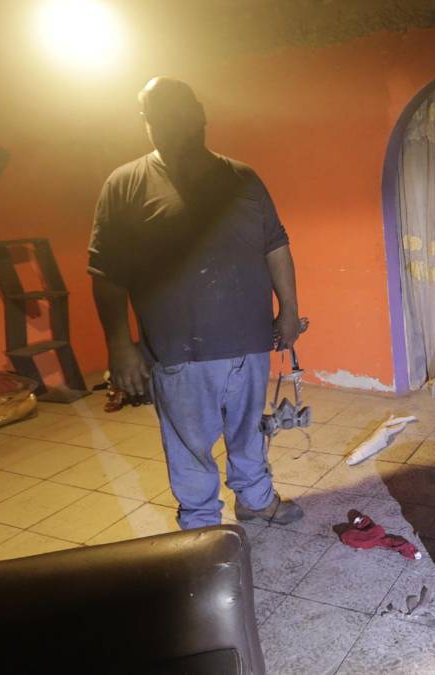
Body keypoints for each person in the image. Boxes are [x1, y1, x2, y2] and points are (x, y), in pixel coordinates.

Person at [88, 76, 303, 529]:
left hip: (249, 341)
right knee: (189, 445)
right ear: (146, 121)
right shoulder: (124, 185)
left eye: (181, 111)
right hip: (178, 351)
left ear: (201, 115)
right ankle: (202, 525)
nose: (173, 122)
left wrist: (288, 309)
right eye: (159, 113)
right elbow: (106, 272)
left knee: (249, 429)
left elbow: (275, 245)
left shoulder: (243, 178)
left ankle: (255, 499)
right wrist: (120, 345)